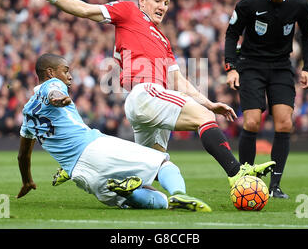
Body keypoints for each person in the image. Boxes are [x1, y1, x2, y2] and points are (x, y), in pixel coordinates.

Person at [27, 0, 276, 189]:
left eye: (166, 2)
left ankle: (92, 176)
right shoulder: (128, 12)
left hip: (146, 105)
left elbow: (178, 80)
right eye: (158, 0)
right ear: (142, 2)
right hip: (146, 93)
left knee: (153, 165)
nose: (163, 6)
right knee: (202, 119)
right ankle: (237, 174)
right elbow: (85, 9)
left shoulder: (164, 41)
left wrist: (210, 103)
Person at [17, 53, 212, 211]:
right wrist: (59, 98)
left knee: (159, 202)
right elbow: (53, 92)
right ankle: (180, 194)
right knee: (162, 163)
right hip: (94, 147)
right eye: (65, 71)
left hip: (80, 175)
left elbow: (23, 156)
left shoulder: (27, 114)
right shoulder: (54, 85)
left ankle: (129, 193)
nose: (69, 76)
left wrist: (27, 181)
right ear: (50, 72)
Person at [224, 0, 308, 199]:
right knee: (252, 122)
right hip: (251, 65)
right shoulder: (249, 3)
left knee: (285, 123)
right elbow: (232, 33)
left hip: (281, 66)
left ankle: (275, 186)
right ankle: (245, 180)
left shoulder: (299, 4)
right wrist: (231, 67)